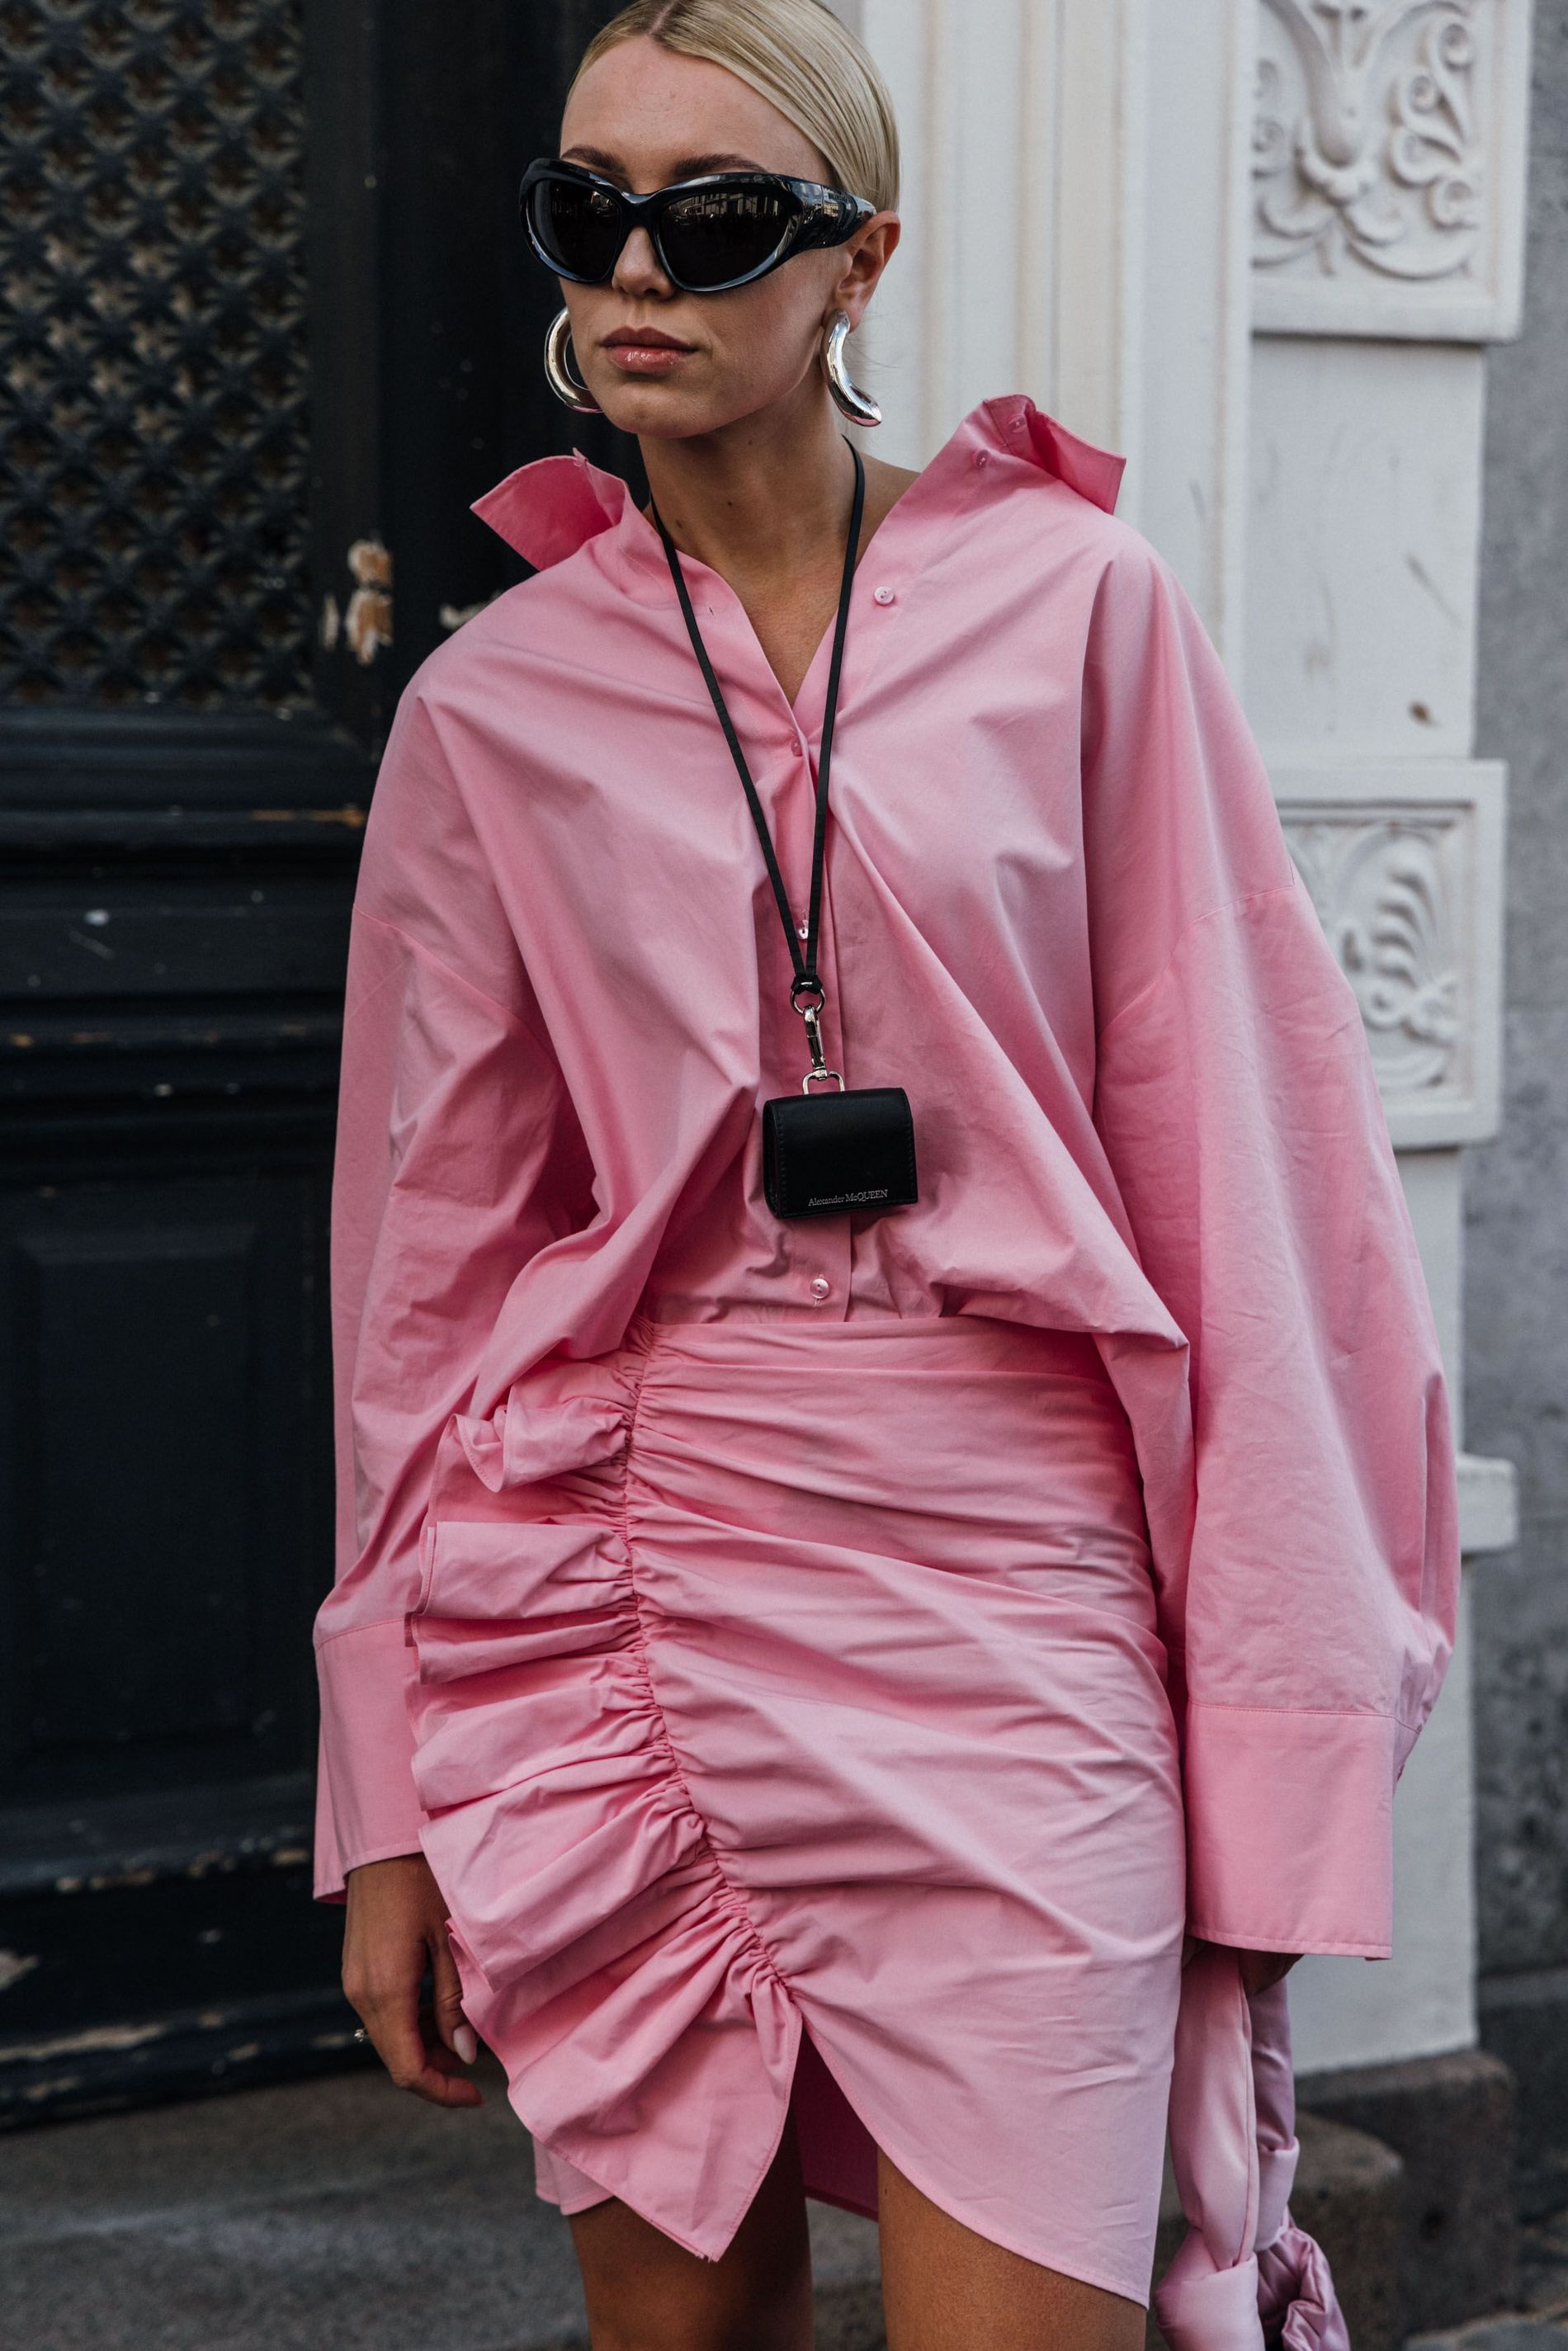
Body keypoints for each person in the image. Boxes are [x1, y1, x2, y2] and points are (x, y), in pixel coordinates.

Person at [309, 4, 1461, 2347]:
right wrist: (391, 1791)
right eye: (584, 208)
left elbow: (1253, 1194)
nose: (636, 268)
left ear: (860, 265)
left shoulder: (1081, 617)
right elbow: (421, 1281)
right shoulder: (493, 708)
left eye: (715, 219)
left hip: (1017, 1610)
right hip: (628, 1604)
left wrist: (1262, 1742)